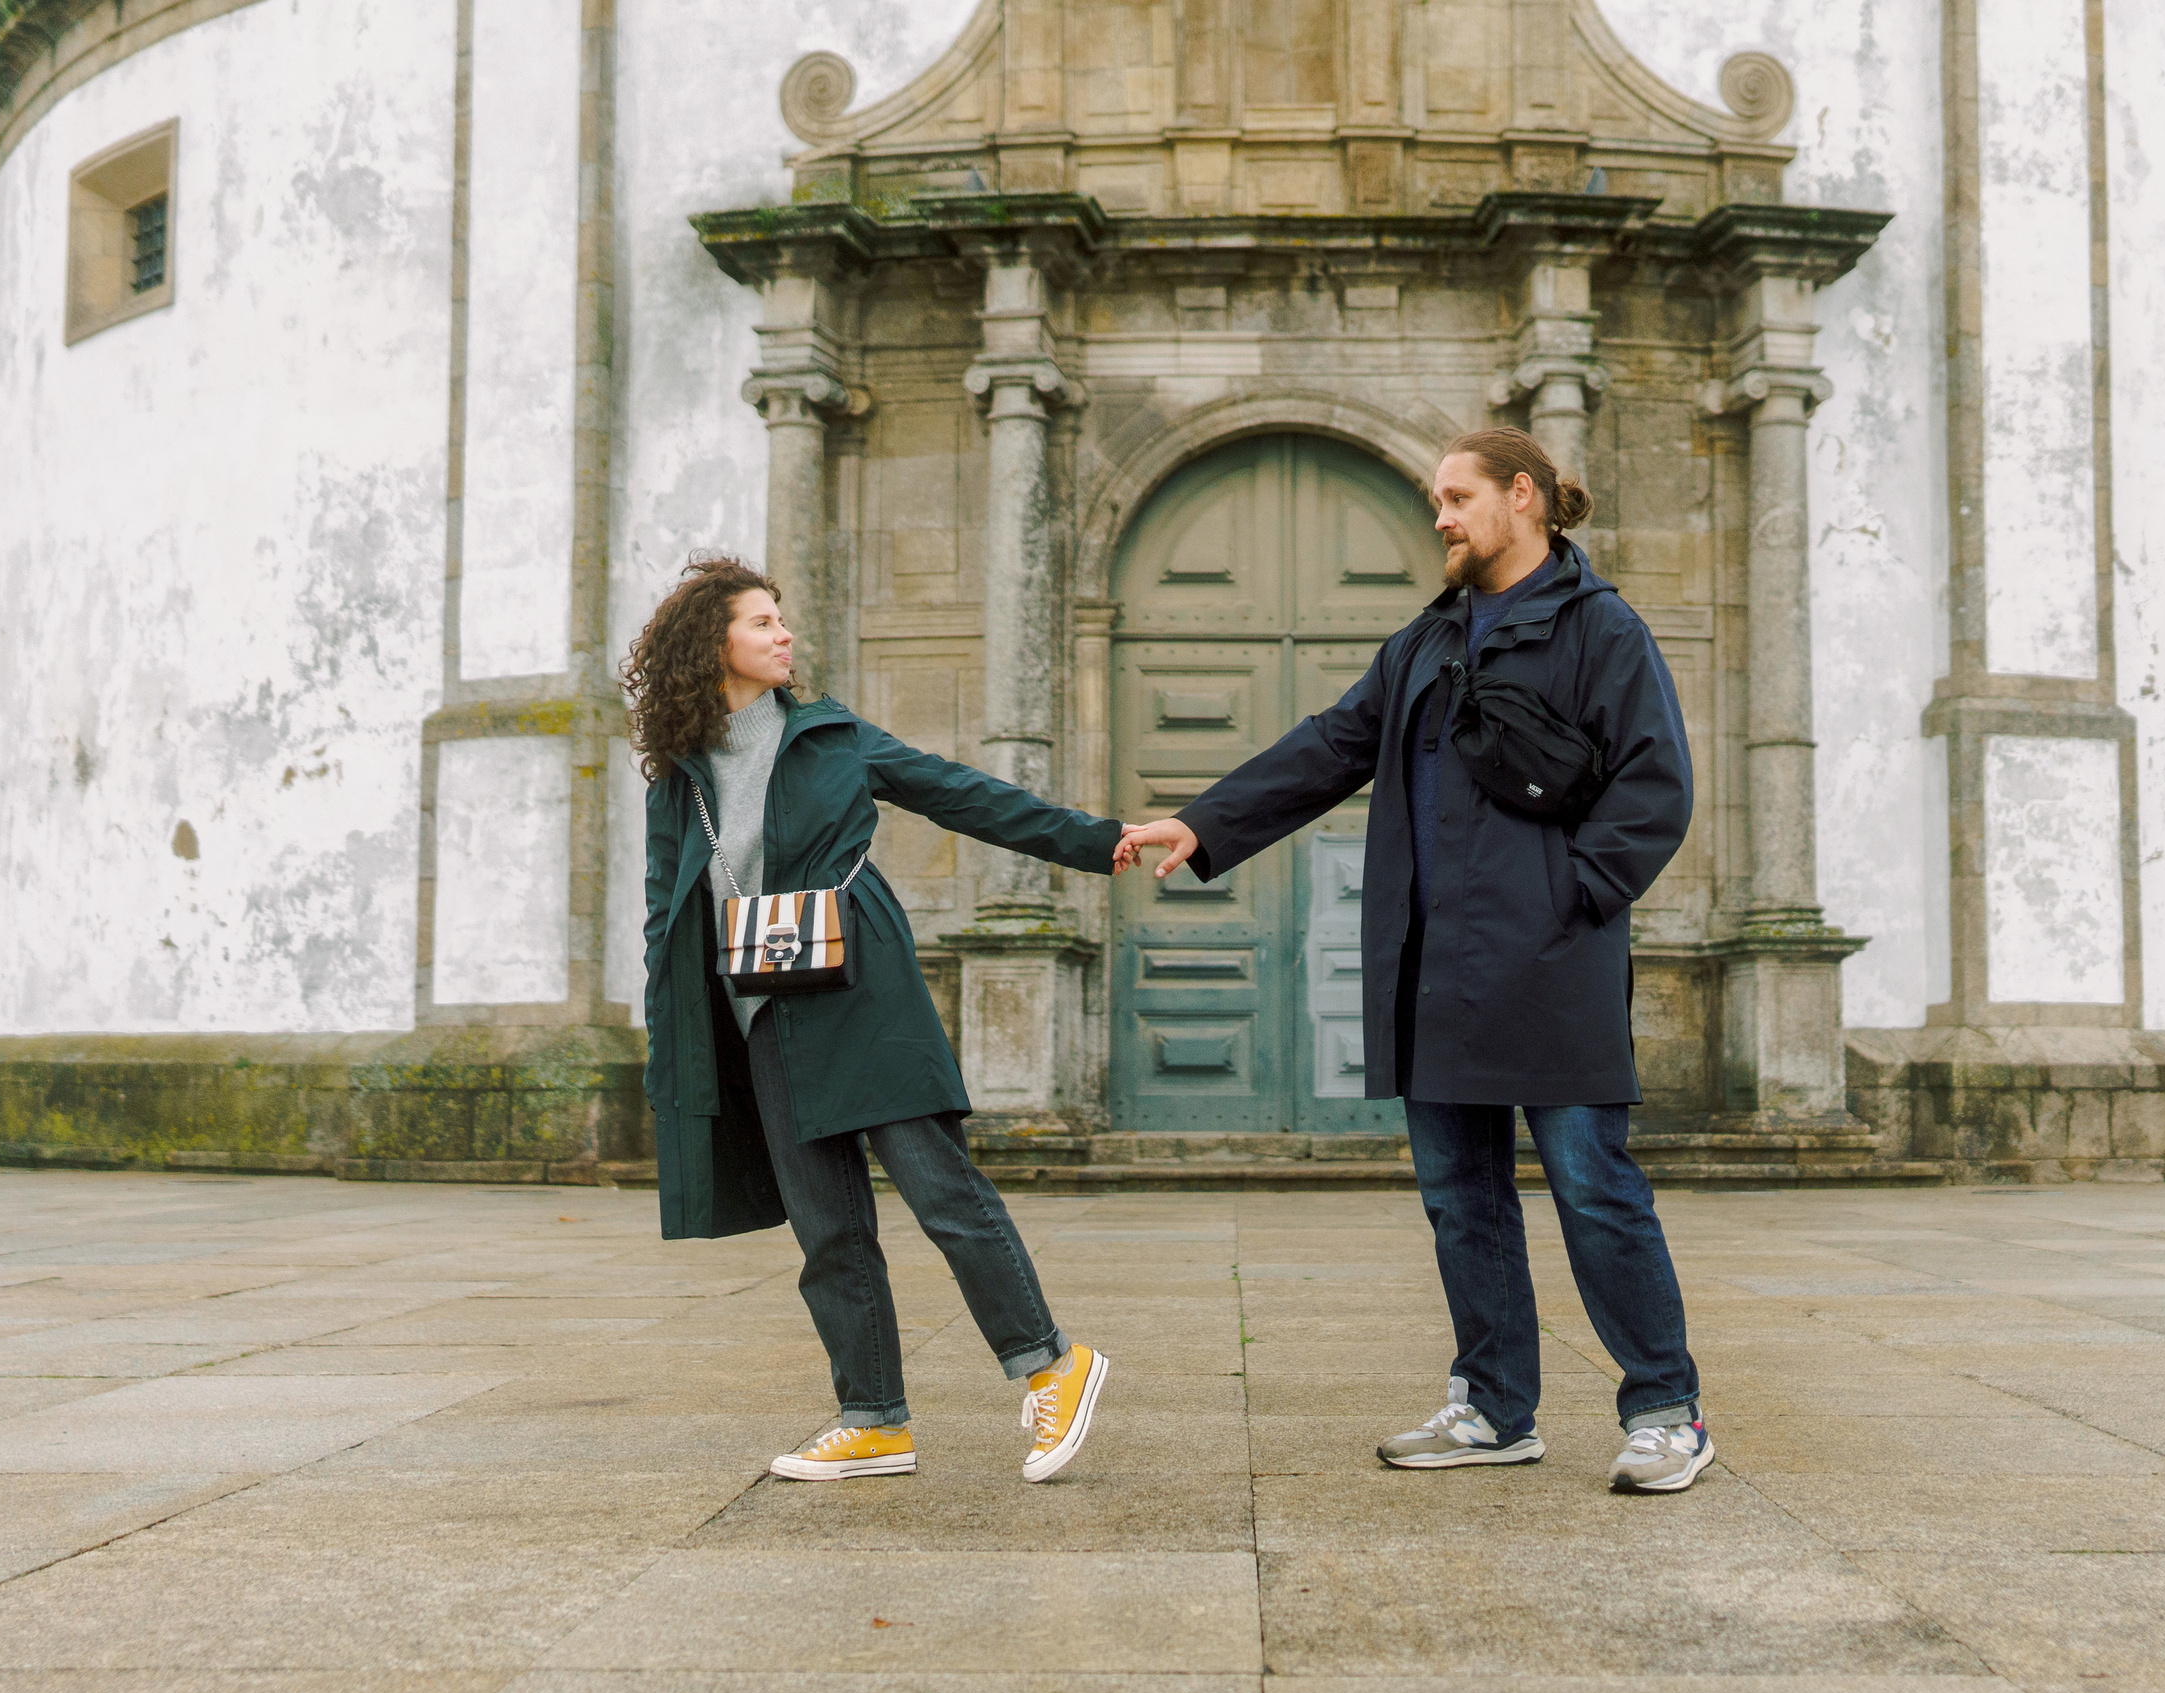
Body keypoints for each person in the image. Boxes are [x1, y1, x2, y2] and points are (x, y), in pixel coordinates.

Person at [1116, 428, 1710, 1493]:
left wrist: (1570, 897)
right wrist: (1203, 824)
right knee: (1460, 1199)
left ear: (1521, 496)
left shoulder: (1600, 629)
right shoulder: (1423, 644)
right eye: (1436, 499)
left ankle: (1664, 1410)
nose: (1436, 515)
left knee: (1593, 1188)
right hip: (1429, 969)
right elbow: (1330, 745)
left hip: (1553, 963)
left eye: (1455, 495)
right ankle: (1493, 1408)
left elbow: (1654, 786)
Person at [626, 556, 1136, 1486]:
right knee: (827, 1227)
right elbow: (665, 914)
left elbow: (966, 795)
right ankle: (873, 1416)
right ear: (715, 646)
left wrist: (1102, 841)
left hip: (864, 998)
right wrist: (679, 1048)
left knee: (943, 1193)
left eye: (781, 620)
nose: (784, 635)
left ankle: (1053, 1365)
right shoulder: (681, 779)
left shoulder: (830, 736)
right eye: (762, 622)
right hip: (762, 1018)